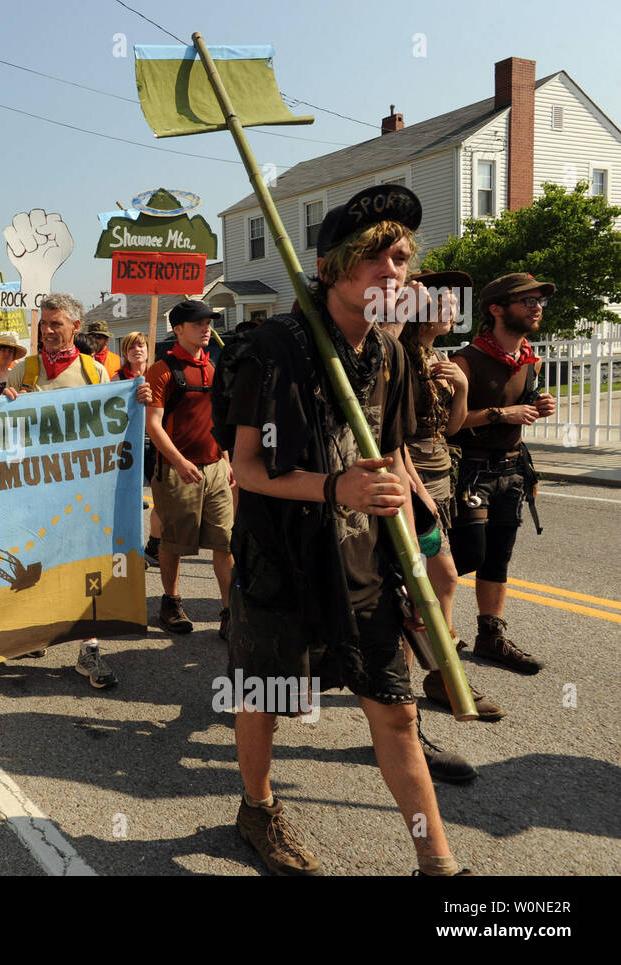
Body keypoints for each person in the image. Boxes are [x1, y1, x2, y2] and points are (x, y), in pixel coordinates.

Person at [218, 185, 469, 875]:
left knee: (395, 712)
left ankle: (437, 864)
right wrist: (334, 487)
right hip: (281, 557)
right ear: (340, 266)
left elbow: (394, 455)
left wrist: (424, 548)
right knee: (266, 698)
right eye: (383, 258)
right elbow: (246, 466)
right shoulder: (274, 346)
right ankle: (257, 808)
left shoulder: (389, 353)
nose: (399, 273)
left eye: (404, 260)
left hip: (362, 559)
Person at [394, 275, 504, 722]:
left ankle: (435, 672)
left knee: (439, 580)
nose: (452, 308)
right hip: (409, 483)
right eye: (443, 302)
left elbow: (452, 427)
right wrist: (416, 491)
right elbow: (389, 436)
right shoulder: (398, 357)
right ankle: (407, 683)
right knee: (420, 583)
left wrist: (459, 387)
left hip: (438, 481)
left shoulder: (436, 356)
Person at [1, 293, 119, 689]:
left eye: (56, 324)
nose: (48, 330)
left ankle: (88, 647)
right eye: (44, 324)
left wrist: (135, 399)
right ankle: (35, 632)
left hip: (81, 489)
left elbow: (112, 424)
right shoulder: (23, 369)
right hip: (33, 489)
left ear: (75, 327)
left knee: (84, 565)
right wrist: (5, 404)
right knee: (36, 563)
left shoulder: (94, 372)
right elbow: (4, 432)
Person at [448, 273, 556, 675]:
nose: (536, 307)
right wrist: (500, 413)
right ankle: (416, 611)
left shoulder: (531, 359)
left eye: (539, 301)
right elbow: (447, 427)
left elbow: (522, 404)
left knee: (498, 558)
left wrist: (538, 404)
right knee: (467, 554)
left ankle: (490, 635)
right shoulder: (466, 360)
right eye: (526, 300)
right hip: (470, 472)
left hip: (512, 469)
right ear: (496, 309)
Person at [145, 301, 235, 639]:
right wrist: (180, 462)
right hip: (176, 471)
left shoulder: (213, 368)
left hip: (215, 469)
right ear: (178, 329)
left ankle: (229, 612)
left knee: (225, 543)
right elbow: (153, 425)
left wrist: (225, 458)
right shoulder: (161, 370)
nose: (206, 328)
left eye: (208, 322)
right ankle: (170, 602)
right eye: (197, 323)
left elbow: (217, 420)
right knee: (173, 542)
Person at [115, 332, 163, 567]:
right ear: (125, 352)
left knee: (161, 496)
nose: (138, 350)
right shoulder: (117, 380)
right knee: (131, 500)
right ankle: (132, 549)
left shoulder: (158, 375)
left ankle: (154, 544)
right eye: (131, 346)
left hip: (156, 441)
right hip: (128, 445)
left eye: (141, 345)